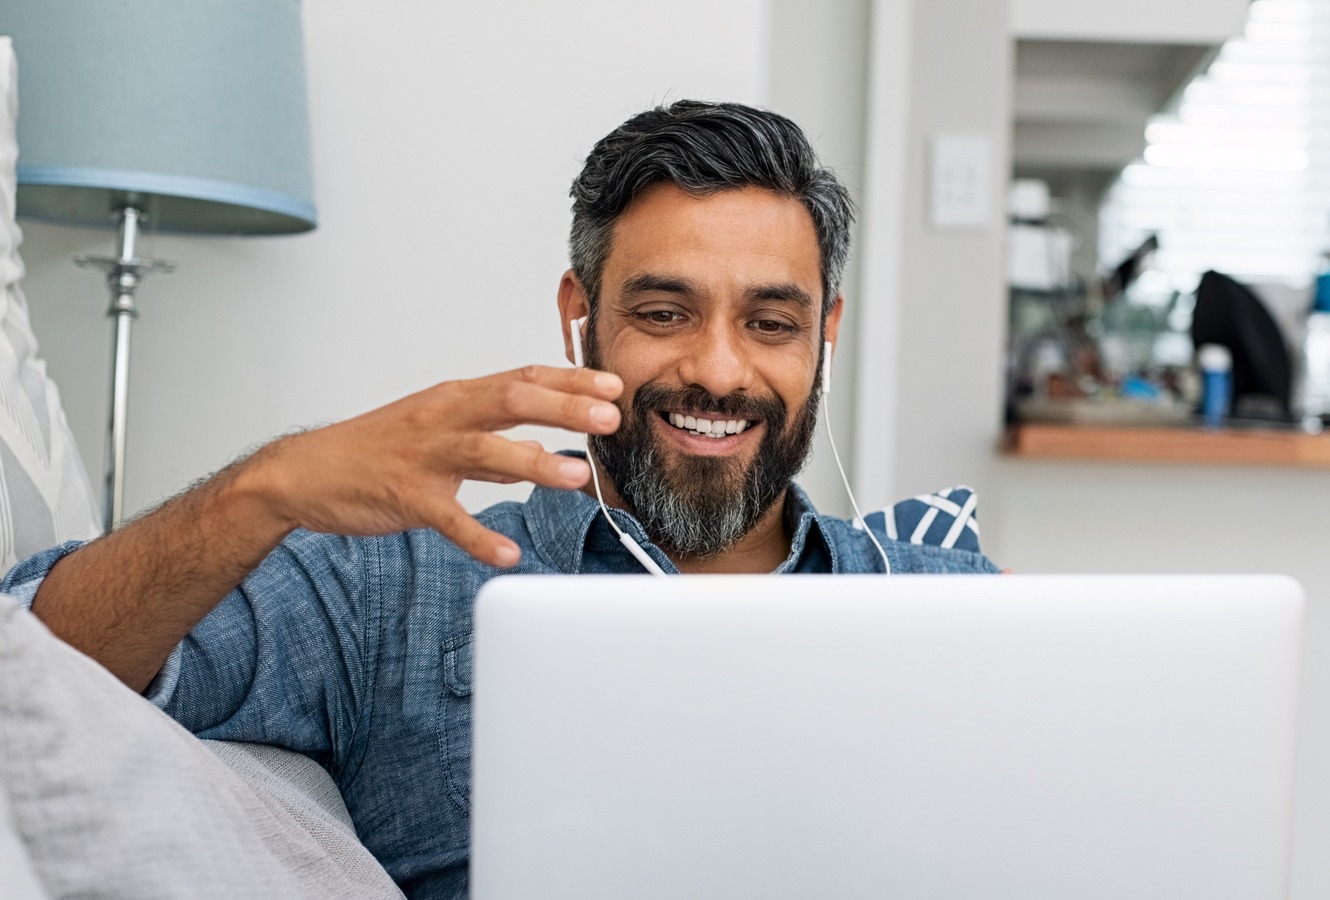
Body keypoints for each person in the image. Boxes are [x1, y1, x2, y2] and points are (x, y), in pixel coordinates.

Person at [2, 100, 999, 898]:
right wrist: (267, 488)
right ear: (581, 314)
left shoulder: (962, 611)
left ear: (823, 333)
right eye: (664, 312)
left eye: (770, 324)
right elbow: (37, 672)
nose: (718, 369)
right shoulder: (392, 579)